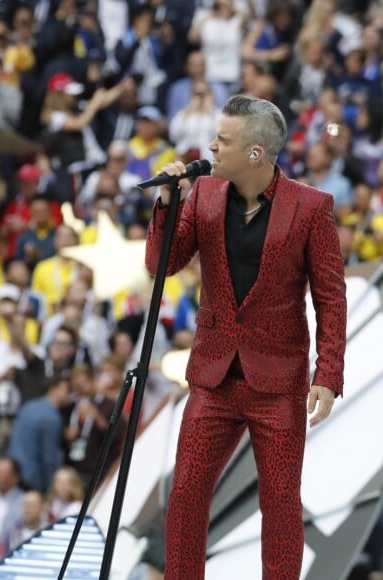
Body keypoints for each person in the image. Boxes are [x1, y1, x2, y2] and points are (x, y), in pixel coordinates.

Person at [145, 95, 347, 578]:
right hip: (214, 376)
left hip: (277, 381)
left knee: (279, 501)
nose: (211, 146)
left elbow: (331, 298)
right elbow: (161, 265)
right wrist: (167, 206)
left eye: (224, 140)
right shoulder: (205, 196)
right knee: (188, 491)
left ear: (255, 153)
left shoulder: (311, 208)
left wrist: (329, 372)